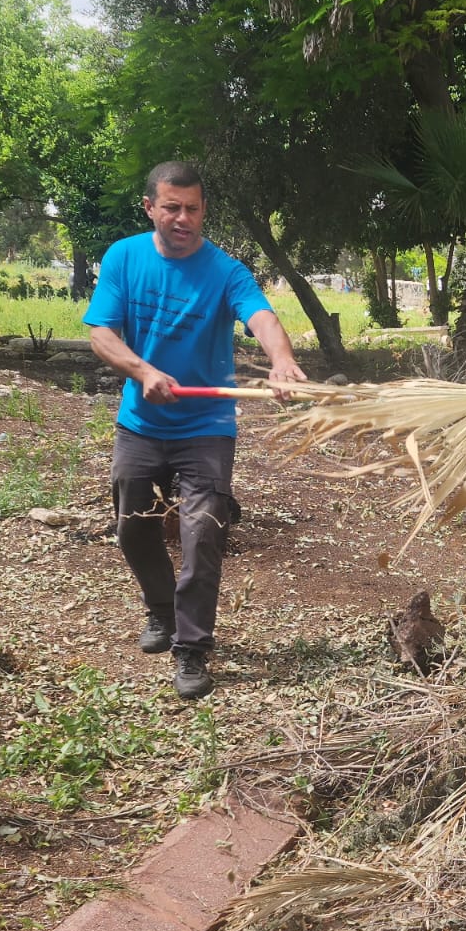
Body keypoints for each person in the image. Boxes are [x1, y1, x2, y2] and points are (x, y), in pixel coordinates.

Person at [84, 161, 307, 700]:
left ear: (204, 209)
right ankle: (161, 610)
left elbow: (262, 316)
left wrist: (281, 360)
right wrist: (143, 371)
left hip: (206, 426)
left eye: (193, 208)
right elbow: (101, 334)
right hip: (140, 422)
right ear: (150, 208)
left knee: (203, 532)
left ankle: (192, 646)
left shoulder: (226, 270)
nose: (183, 218)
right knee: (132, 528)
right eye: (171, 207)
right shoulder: (124, 257)